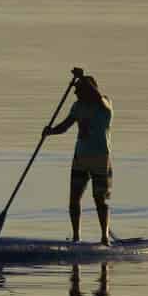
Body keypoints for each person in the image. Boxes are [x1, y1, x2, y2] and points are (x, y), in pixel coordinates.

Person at [43, 71, 114, 244]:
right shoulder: (77, 107)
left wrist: (82, 78)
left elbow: (97, 96)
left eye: (78, 90)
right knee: (74, 199)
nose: (75, 93)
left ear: (88, 90)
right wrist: (50, 131)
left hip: (100, 158)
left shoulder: (104, 104)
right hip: (80, 158)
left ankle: (105, 237)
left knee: (100, 200)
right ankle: (76, 237)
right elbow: (65, 125)